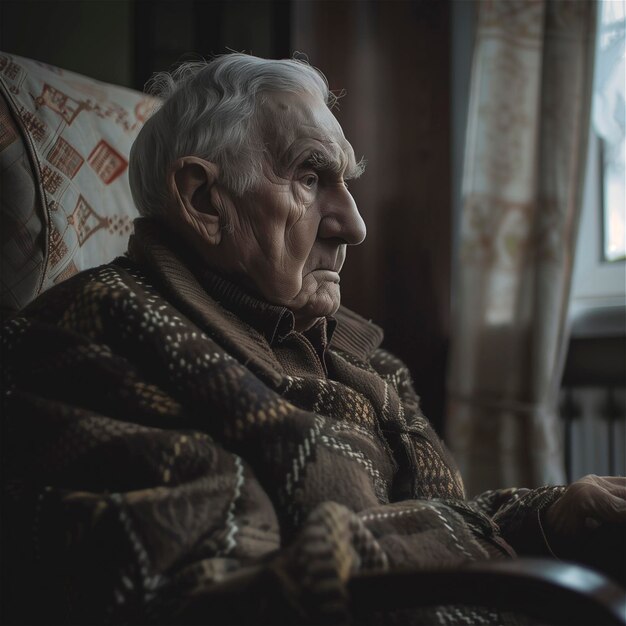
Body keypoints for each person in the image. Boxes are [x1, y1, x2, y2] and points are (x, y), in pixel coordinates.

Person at [1, 53, 624, 625]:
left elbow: (441, 516)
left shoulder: (361, 355)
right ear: (203, 199)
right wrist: (461, 543)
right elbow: (204, 595)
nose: (354, 225)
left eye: (347, 180)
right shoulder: (99, 334)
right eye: (309, 176)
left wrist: (552, 514)